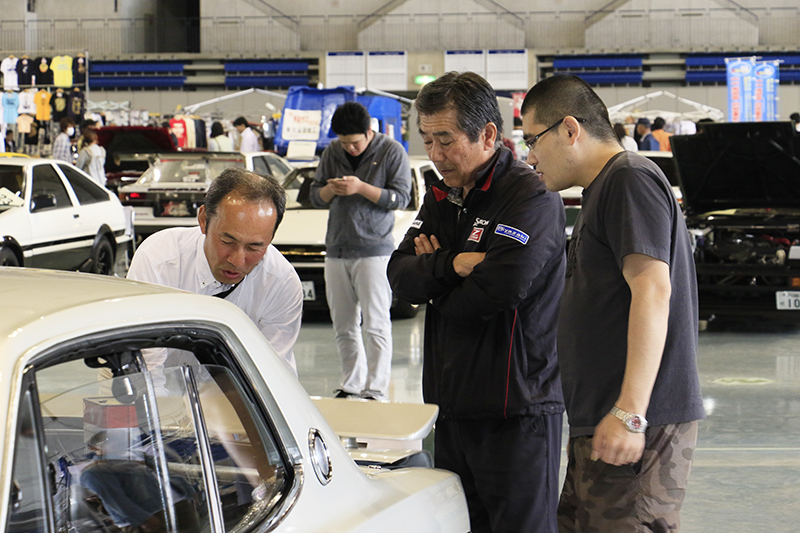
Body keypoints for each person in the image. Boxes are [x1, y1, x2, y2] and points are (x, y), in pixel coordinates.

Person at [521, 74, 704, 533]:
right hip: (603, 419)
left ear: (569, 129)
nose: (529, 156)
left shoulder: (628, 179)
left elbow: (652, 290)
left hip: (637, 418)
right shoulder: (602, 189)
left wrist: (630, 412)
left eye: (532, 140)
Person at [387, 72, 566, 533]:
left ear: (488, 134)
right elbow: (399, 277)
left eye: (445, 139)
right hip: (450, 408)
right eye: (428, 140)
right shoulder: (443, 195)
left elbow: (494, 293)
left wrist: (436, 281)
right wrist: (453, 266)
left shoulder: (530, 197)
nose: (436, 154)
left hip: (515, 412)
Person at [127, 168, 304, 376]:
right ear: (203, 220)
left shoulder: (280, 282)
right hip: (157, 387)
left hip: (232, 392)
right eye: (227, 241)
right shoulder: (159, 260)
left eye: (255, 248)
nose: (237, 261)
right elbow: (147, 365)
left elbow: (272, 374)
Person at [310, 102, 411, 401]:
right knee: (343, 325)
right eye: (344, 143)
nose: (350, 148)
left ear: (370, 132)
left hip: (374, 250)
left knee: (376, 323)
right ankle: (351, 383)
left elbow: (401, 198)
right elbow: (316, 196)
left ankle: (376, 389)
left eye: (355, 142)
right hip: (337, 249)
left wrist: (361, 188)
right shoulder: (332, 152)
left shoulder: (392, 151)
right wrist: (331, 190)